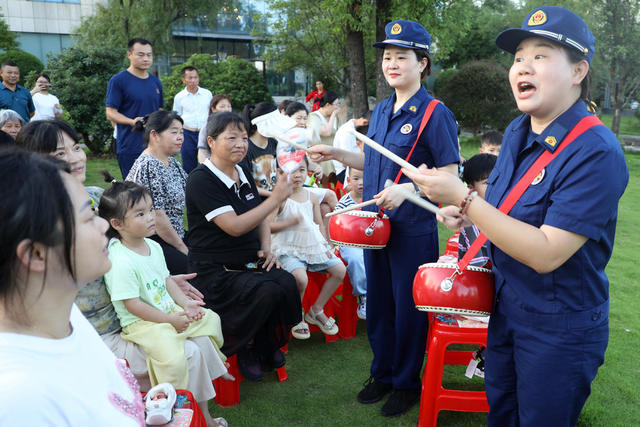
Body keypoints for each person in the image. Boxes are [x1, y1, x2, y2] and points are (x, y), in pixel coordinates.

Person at [403, 7, 628, 425]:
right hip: (506, 309)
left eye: (541, 56)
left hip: (558, 329)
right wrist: (468, 215)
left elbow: (546, 252)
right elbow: (506, 210)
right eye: (519, 56)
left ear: (579, 70)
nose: (523, 66)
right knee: (502, 416)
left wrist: (470, 203)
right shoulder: (517, 131)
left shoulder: (596, 150)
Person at [15, 118, 223, 419]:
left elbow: (128, 254)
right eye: (60, 154)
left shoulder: (99, 198)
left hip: (132, 313)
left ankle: (196, 417)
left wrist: (159, 279)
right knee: (188, 351)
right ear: (33, 164)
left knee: (201, 333)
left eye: (76, 147)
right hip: (101, 332)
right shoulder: (37, 226)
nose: (75, 157)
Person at [309, 20, 459, 417]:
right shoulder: (380, 110)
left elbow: (449, 178)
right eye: (387, 57)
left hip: (411, 229)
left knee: (407, 309)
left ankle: (407, 383)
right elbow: (375, 162)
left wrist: (408, 191)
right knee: (378, 306)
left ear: (422, 63)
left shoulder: (434, 113)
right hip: (374, 228)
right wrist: (338, 155)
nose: (392, 64)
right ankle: (384, 373)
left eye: (402, 56)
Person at [0, 150, 145, 426]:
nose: (104, 225)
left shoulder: (64, 317)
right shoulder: (19, 401)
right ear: (36, 254)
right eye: (88, 217)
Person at [100, 178, 230, 427]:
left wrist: (185, 304)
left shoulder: (152, 246)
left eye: (150, 210)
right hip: (143, 324)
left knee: (211, 318)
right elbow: (132, 305)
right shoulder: (120, 260)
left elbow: (167, 281)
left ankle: (217, 364)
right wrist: (170, 320)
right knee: (173, 356)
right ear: (117, 224)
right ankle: (173, 402)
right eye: (140, 213)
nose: (150, 217)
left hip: (167, 312)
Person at [185, 112, 301, 382]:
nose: (240, 144)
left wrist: (267, 247)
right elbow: (235, 226)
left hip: (248, 261)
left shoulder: (242, 170)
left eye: (244, 138)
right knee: (266, 291)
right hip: (215, 270)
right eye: (232, 138)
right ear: (211, 142)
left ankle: (264, 343)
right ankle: (245, 347)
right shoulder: (201, 179)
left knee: (286, 282)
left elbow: (257, 214)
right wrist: (276, 198)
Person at [269, 156, 346, 339]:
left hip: (311, 245)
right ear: (281, 173)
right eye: (292, 171)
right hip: (288, 247)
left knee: (339, 270)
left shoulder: (311, 196)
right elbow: (268, 224)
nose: (297, 175)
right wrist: (288, 223)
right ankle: (297, 317)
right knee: (300, 279)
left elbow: (318, 223)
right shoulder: (280, 197)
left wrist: (326, 244)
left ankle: (316, 310)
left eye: (302, 170)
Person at [126, 110, 189, 275]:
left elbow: (193, 191)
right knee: (193, 267)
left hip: (174, 234)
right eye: (174, 132)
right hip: (151, 239)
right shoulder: (148, 165)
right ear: (155, 135)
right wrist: (182, 247)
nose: (180, 137)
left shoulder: (172, 163)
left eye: (181, 132)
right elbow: (157, 217)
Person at [106, 38, 164, 179]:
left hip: (155, 146)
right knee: (134, 191)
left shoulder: (155, 82)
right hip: (130, 145)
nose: (146, 59)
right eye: (141, 54)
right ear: (129, 54)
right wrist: (132, 121)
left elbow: (160, 110)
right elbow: (110, 112)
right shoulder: (118, 81)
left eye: (149, 55)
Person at [334, 167, 367, 319]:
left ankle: (385, 295)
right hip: (350, 242)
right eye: (356, 179)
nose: (361, 183)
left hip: (370, 240)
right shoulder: (344, 203)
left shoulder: (373, 198)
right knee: (355, 259)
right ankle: (363, 295)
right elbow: (336, 224)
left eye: (364, 178)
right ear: (348, 181)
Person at [456, 153, 497, 267]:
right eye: (487, 182)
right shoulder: (472, 225)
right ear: (471, 189)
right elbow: (482, 270)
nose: (496, 186)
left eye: (499, 180)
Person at [173, 65, 213, 174]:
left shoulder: (207, 94)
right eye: (190, 78)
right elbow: (176, 116)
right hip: (187, 133)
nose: (193, 80)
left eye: (196, 77)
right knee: (188, 164)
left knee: (208, 162)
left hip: (205, 132)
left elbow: (212, 112)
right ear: (183, 79)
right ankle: (189, 187)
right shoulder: (179, 97)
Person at [240, 101, 279, 198]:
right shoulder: (246, 148)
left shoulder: (273, 143)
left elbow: (278, 174)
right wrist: (274, 196)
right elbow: (247, 185)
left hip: (274, 196)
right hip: (256, 199)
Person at [307, 90, 342, 177]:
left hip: (333, 158)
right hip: (319, 158)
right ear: (327, 105)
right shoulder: (314, 116)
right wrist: (333, 115)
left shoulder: (336, 118)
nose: (338, 108)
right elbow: (326, 132)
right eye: (336, 104)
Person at [333, 111, 371, 182]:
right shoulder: (347, 132)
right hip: (345, 172)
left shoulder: (352, 127)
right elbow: (345, 163)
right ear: (365, 123)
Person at [197, 94, 233, 163]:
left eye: (229, 106)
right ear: (213, 109)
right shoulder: (207, 127)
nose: (227, 109)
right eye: (222, 106)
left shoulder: (235, 126)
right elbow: (202, 151)